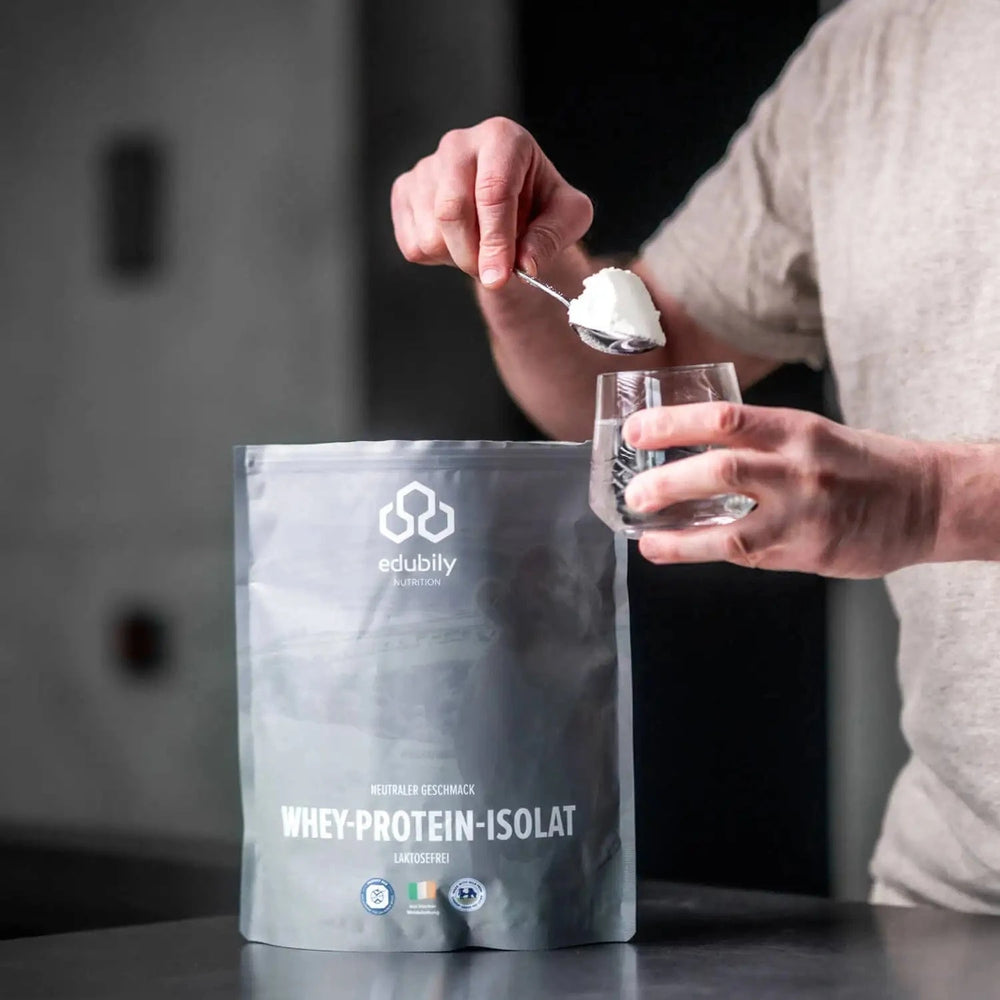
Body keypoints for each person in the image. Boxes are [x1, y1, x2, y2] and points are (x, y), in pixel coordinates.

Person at [389, 0, 1000, 914]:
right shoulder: (876, 48)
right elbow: (647, 376)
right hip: (947, 892)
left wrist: (937, 502)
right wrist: (518, 257)